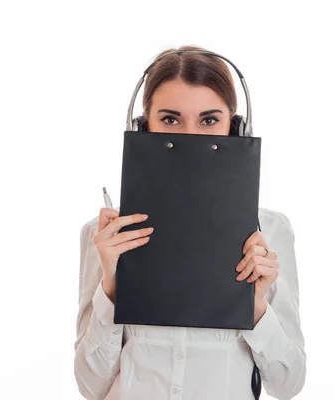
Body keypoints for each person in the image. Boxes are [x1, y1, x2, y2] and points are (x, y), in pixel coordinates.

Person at [74, 45, 306, 400]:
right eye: (170, 119)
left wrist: (256, 305)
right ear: (143, 127)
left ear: (235, 128)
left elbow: (287, 385)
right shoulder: (105, 236)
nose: (189, 137)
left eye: (209, 120)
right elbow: (91, 387)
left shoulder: (269, 233)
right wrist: (111, 286)